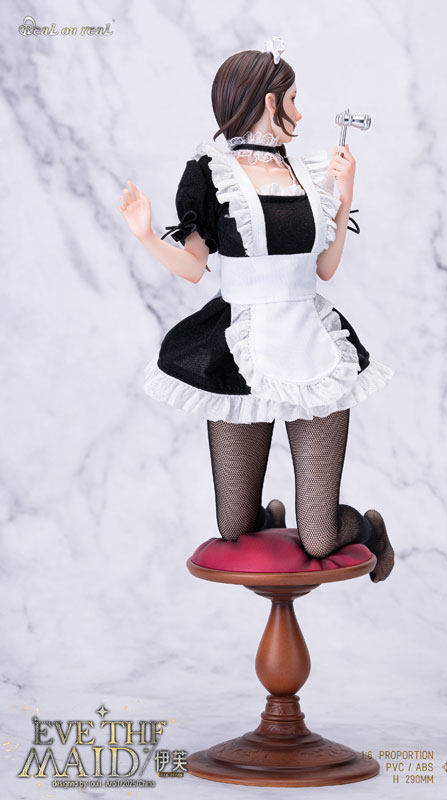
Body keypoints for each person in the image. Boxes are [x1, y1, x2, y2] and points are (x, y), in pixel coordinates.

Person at [117, 39, 395, 582]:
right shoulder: (209, 172)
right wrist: (145, 234)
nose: (300, 112)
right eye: (293, 99)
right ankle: (269, 518)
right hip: (238, 345)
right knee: (234, 526)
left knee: (319, 538)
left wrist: (344, 195)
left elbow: (326, 269)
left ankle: (371, 530)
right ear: (271, 102)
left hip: (310, 341)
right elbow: (194, 268)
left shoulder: (308, 173)